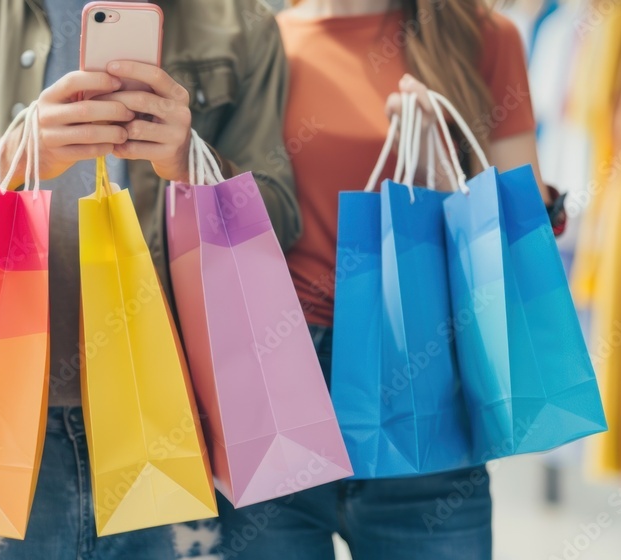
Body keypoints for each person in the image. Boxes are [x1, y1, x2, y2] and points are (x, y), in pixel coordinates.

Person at [0, 0, 298, 558]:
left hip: (177, 431)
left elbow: (279, 225)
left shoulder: (240, 23)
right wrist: (12, 153)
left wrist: (193, 164)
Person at [216, 1, 562, 559]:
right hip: (278, 378)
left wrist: (440, 182)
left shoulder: (478, 35)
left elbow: (523, 227)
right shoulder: (259, 41)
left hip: (421, 373)